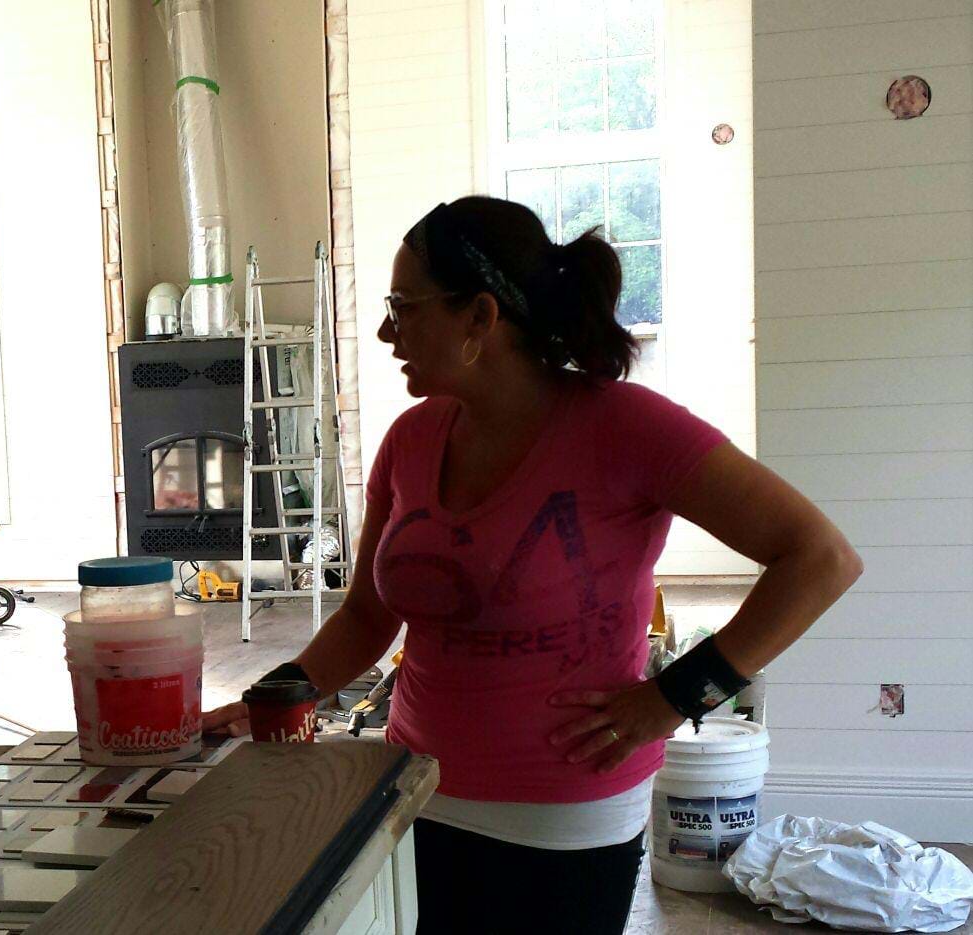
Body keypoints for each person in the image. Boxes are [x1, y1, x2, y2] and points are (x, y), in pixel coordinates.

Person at [204, 197, 863, 933]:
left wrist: (673, 697)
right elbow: (366, 614)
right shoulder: (411, 439)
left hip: (563, 813)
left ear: (479, 318)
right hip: (413, 785)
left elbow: (820, 558)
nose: (387, 330)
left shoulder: (626, 427)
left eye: (403, 305)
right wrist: (277, 693)